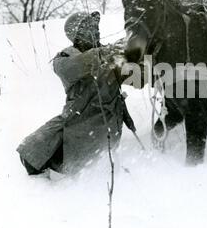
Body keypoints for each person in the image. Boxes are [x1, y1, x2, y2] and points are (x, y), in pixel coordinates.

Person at [17, 11, 134, 175]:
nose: (97, 31)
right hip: (78, 123)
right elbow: (79, 65)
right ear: (77, 35)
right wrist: (112, 50)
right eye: (90, 28)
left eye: (97, 27)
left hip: (104, 128)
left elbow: (135, 75)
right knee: (31, 156)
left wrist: (136, 44)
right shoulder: (64, 59)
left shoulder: (110, 55)